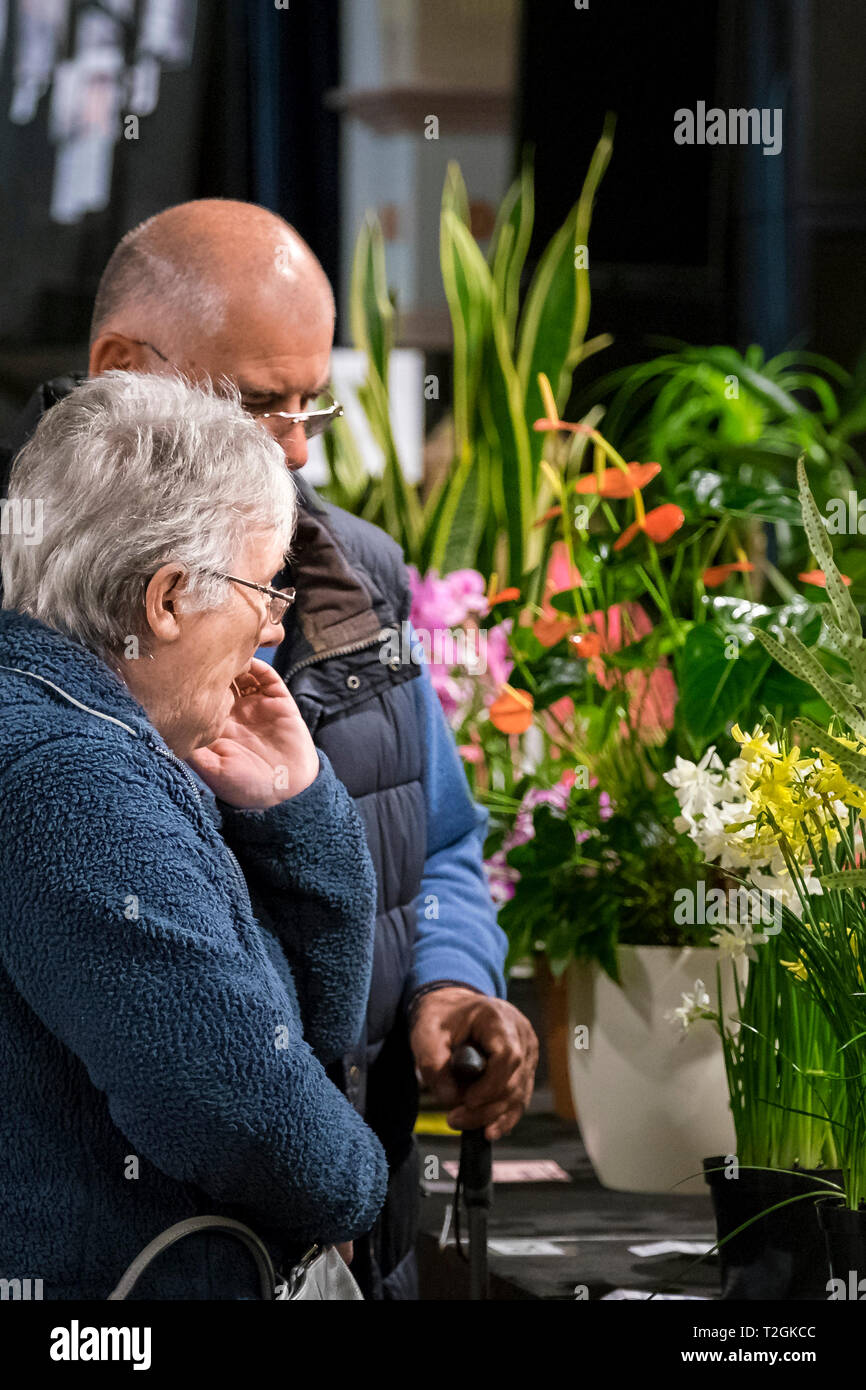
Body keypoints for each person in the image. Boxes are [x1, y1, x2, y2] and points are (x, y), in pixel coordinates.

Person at [0, 199, 539, 1300]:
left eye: (312, 406)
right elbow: (224, 1087)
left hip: (319, 1235)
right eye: (256, 404)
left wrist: (447, 980)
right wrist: (330, 1166)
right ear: (121, 365)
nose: (293, 447)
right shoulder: (59, 738)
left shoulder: (361, 571)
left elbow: (436, 840)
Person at [0, 371, 388, 1299]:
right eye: (266, 589)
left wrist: (292, 812)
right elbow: (244, 1108)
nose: (270, 629)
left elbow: (310, 1033)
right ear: (168, 600)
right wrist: (365, 1191)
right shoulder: (67, 773)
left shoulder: (85, 736)